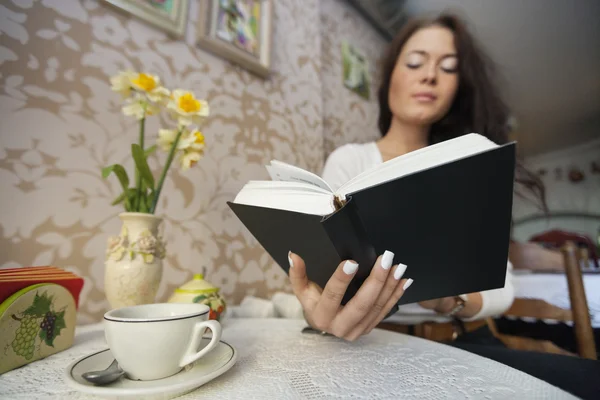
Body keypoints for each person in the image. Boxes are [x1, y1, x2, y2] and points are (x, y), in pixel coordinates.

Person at [287, 12, 600, 399]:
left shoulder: (468, 164)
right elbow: (327, 274)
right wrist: (317, 311)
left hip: (468, 340)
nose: (430, 75)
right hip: (378, 348)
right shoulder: (349, 160)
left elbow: (502, 287)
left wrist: (448, 300)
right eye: (415, 62)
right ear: (390, 77)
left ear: (457, 89)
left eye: (448, 68)